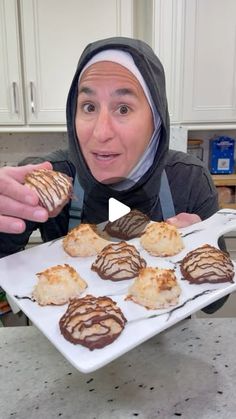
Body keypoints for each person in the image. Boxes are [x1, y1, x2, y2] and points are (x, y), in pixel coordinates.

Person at [0, 37, 227, 313]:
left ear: (156, 120)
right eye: (89, 107)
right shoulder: (51, 177)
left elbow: (216, 304)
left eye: (123, 108)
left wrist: (196, 244)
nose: (100, 132)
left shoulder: (188, 179)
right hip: (71, 346)